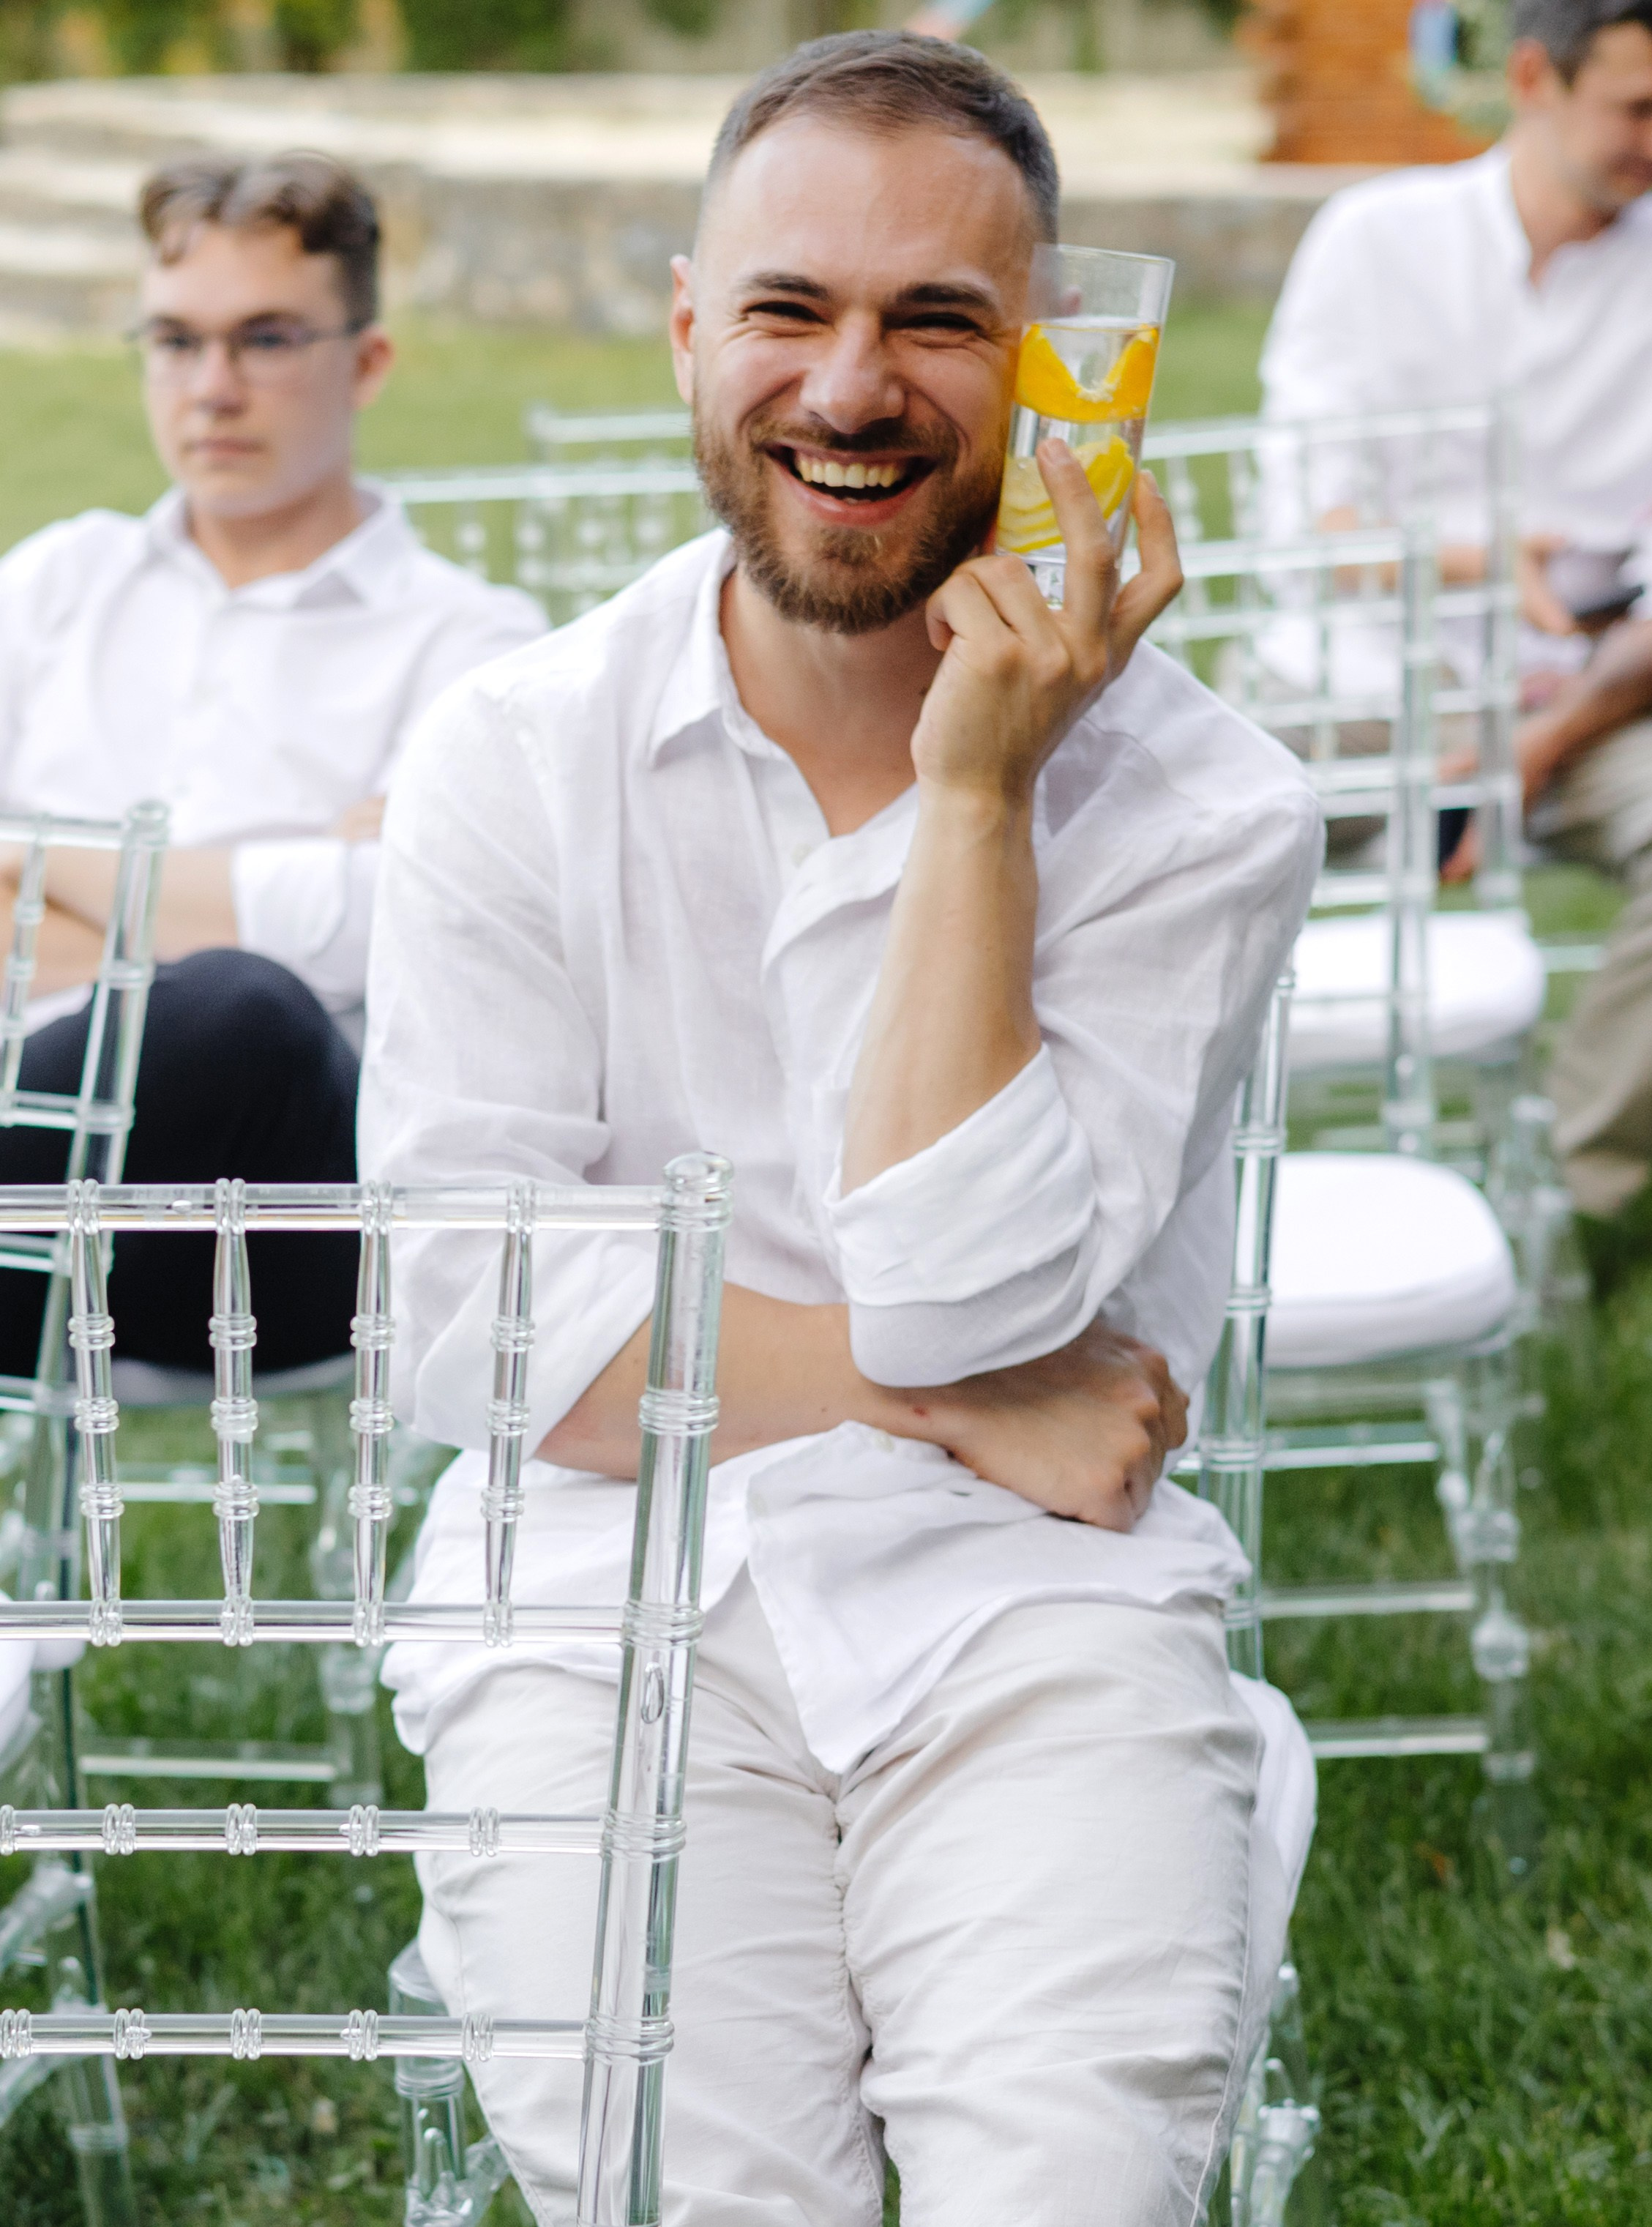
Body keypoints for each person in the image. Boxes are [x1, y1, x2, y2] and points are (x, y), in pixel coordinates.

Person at [364, 33, 1321, 2226]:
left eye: (939, 321)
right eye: (791, 310)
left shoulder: (1198, 810)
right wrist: (960, 1401)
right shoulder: (511, 755)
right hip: (599, 1596)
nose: (852, 388)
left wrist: (980, 792)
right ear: (694, 329)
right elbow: (475, 1331)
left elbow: (972, 1277)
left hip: (1036, 1602)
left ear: (1064, 364)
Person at [0, 152, 543, 1372]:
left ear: (367, 361)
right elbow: (332, 897)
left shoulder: (473, 643)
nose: (214, 387)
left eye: (266, 340)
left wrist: (26, 860)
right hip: (25, 1173)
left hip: (280, 1228)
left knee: (238, 1008)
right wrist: (268, 869)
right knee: (212, 988)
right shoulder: (51, 588)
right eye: (175, 342)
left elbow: (392, 928)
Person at [1259, 0, 1652, 1220]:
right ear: (1534, 76)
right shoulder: (1374, 240)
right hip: (1350, 693)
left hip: (1585, 709)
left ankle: (1568, 1202)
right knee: (1132, 843)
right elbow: (1301, 526)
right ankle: (1187, 1203)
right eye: (1637, 107)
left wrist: (1528, 752)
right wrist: (1496, 560)